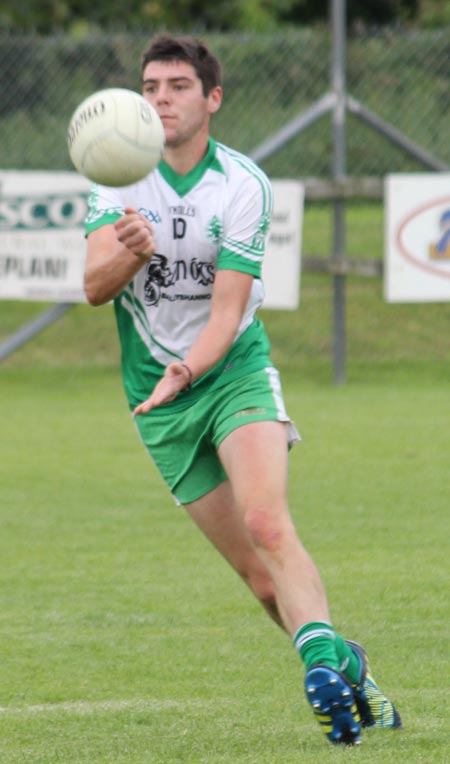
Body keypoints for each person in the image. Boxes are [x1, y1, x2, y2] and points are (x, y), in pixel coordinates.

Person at [83, 34, 401, 746]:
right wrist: (130, 254)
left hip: (230, 374)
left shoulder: (242, 184)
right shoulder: (115, 176)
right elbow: (92, 288)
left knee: (267, 522)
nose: (161, 98)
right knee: (261, 585)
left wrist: (189, 371)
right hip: (155, 400)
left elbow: (227, 313)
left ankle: (319, 673)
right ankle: (346, 660)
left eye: (178, 86)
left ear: (212, 99)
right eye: (152, 86)